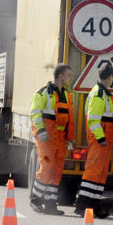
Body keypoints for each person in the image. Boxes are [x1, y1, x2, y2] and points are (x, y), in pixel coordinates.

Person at [29, 63, 75, 215]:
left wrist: (70, 139)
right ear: (60, 76)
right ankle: (35, 199)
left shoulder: (67, 96)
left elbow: (70, 119)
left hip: (60, 140)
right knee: (47, 168)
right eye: (68, 75)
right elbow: (35, 114)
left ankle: (50, 204)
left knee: (57, 170)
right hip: (46, 138)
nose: (70, 78)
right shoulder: (42, 93)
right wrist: (41, 130)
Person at [74, 63, 113, 219]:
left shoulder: (104, 94)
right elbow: (93, 120)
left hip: (104, 139)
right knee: (93, 172)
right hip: (100, 140)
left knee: (100, 174)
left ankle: (94, 205)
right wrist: (101, 138)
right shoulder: (99, 94)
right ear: (110, 77)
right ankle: (82, 206)